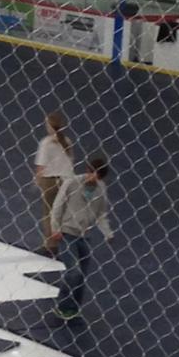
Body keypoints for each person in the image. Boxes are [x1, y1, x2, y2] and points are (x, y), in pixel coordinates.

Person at [49, 154, 115, 322]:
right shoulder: (71, 183)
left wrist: (107, 233)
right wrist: (55, 229)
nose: (95, 179)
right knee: (74, 272)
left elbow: (101, 213)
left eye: (99, 177)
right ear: (88, 170)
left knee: (82, 274)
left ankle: (73, 307)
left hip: (84, 236)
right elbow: (57, 206)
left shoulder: (100, 188)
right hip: (66, 234)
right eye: (93, 174)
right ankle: (62, 305)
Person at [34, 111, 75, 255]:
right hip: (66, 181)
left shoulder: (46, 143)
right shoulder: (67, 141)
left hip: (50, 181)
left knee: (48, 214)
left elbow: (41, 165)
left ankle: (50, 246)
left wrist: (38, 179)